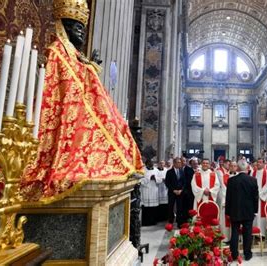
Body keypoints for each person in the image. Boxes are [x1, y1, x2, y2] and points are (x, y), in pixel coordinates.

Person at [20, 0, 143, 200]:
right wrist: (89, 68)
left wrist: (91, 66)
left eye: (84, 28)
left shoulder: (75, 56)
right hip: (64, 111)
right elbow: (69, 85)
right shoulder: (57, 52)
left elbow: (83, 82)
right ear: (64, 27)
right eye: (78, 27)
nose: (82, 33)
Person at [226, 160, 259, 262]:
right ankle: (247, 254)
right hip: (248, 211)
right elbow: (255, 197)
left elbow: (228, 198)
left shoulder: (231, 180)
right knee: (247, 233)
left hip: (235, 210)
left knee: (235, 232)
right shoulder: (253, 180)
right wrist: (255, 211)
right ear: (247, 168)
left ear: (238, 168)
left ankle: (234, 254)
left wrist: (227, 212)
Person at [251, 158, 267, 234]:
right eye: (257, 162)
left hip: (263, 197)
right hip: (254, 198)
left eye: (260, 162)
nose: (258, 164)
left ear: (264, 164)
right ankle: (255, 232)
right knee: (255, 215)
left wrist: (259, 194)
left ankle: (263, 233)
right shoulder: (253, 173)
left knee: (263, 215)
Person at [165, 158, 187, 227]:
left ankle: (179, 222)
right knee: (171, 207)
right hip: (172, 192)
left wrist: (181, 190)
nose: (179, 163)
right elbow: (167, 183)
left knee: (179, 207)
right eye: (178, 162)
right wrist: (173, 190)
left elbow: (184, 182)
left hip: (180, 192)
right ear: (174, 163)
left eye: (180, 162)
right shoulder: (169, 172)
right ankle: (170, 221)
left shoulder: (182, 171)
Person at [140, 159, 161, 226]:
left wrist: (155, 179)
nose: (151, 164)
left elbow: (160, 179)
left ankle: (153, 221)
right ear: (146, 164)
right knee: (146, 208)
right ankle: (145, 222)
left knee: (153, 207)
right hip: (146, 190)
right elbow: (140, 180)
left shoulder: (156, 170)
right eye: (149, 163)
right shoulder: (142, 170)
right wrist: (149, 179)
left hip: (154, 190)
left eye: (152, 162)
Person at [217, 159, 232, 241]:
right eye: (228, 165)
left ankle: (229, 235)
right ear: (224, 164)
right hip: (223, 195)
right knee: (223, 217)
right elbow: (224, 183)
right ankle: (224, 236)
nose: (229, 166)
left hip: (229, 195)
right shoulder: (219, 172)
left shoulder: (228, 172)